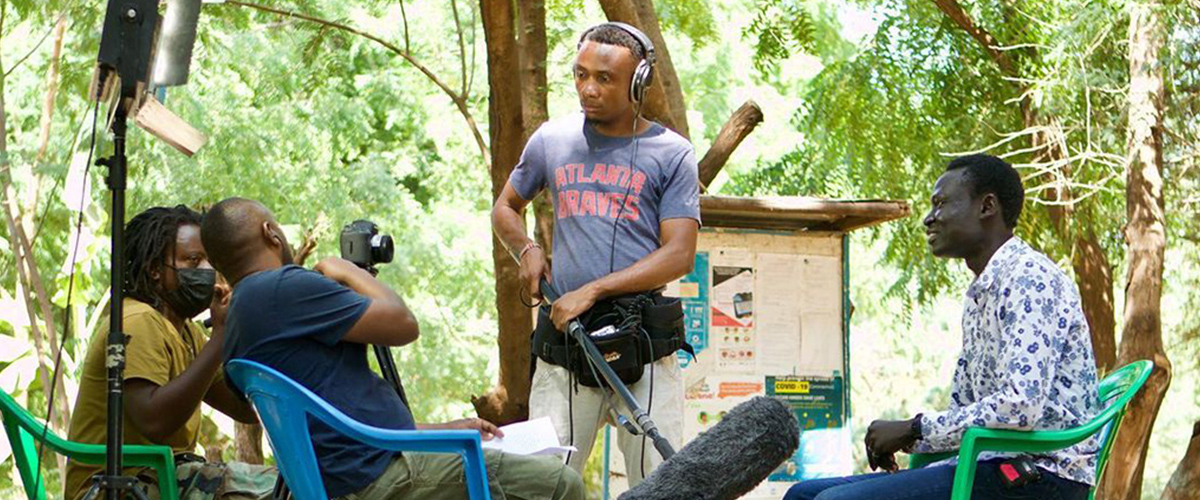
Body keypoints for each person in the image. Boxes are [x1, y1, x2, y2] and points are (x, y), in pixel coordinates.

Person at [200, 198, 584, 500]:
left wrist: (440, 432)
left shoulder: (234, 323)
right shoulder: (283, 287)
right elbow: (403, 324)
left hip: (351, 477)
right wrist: (347, 271)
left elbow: (336, 423)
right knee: (558, 484)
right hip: (380, 480)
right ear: (271, 232)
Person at [784, 155, 1100, 500]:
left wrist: (913, 428)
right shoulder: (981, 294)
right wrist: (912, 437)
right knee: (801, 495)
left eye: (941, 204)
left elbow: (1019, 407)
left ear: (987, 206)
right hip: (988, 464)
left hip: (1042, 475)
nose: (928, 218)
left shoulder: (1029, 279)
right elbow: (966, 409)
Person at [491, 22, 700, 483]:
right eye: (581, 74)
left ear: (638, 82)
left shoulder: (673, 154)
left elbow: (680, 253)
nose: (589, 88)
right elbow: (505, 207)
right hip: (566, 342)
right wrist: (525, 249)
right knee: (544, 482)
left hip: (643, 342)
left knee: (662, 486)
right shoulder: (552, 140)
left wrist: (595, 289)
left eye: (604, 78)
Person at [65, 205, 276, 500]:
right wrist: (220, 336)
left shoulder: (187, 333)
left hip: (168, 476)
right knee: (280, 491)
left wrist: (246, 327)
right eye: (192, 260)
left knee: (291, 484)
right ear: (154, 270)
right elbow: (155, 422)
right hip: (121, 485)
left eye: (209, 261)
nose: (207, 271)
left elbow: (246, 409)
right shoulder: (138, 320)